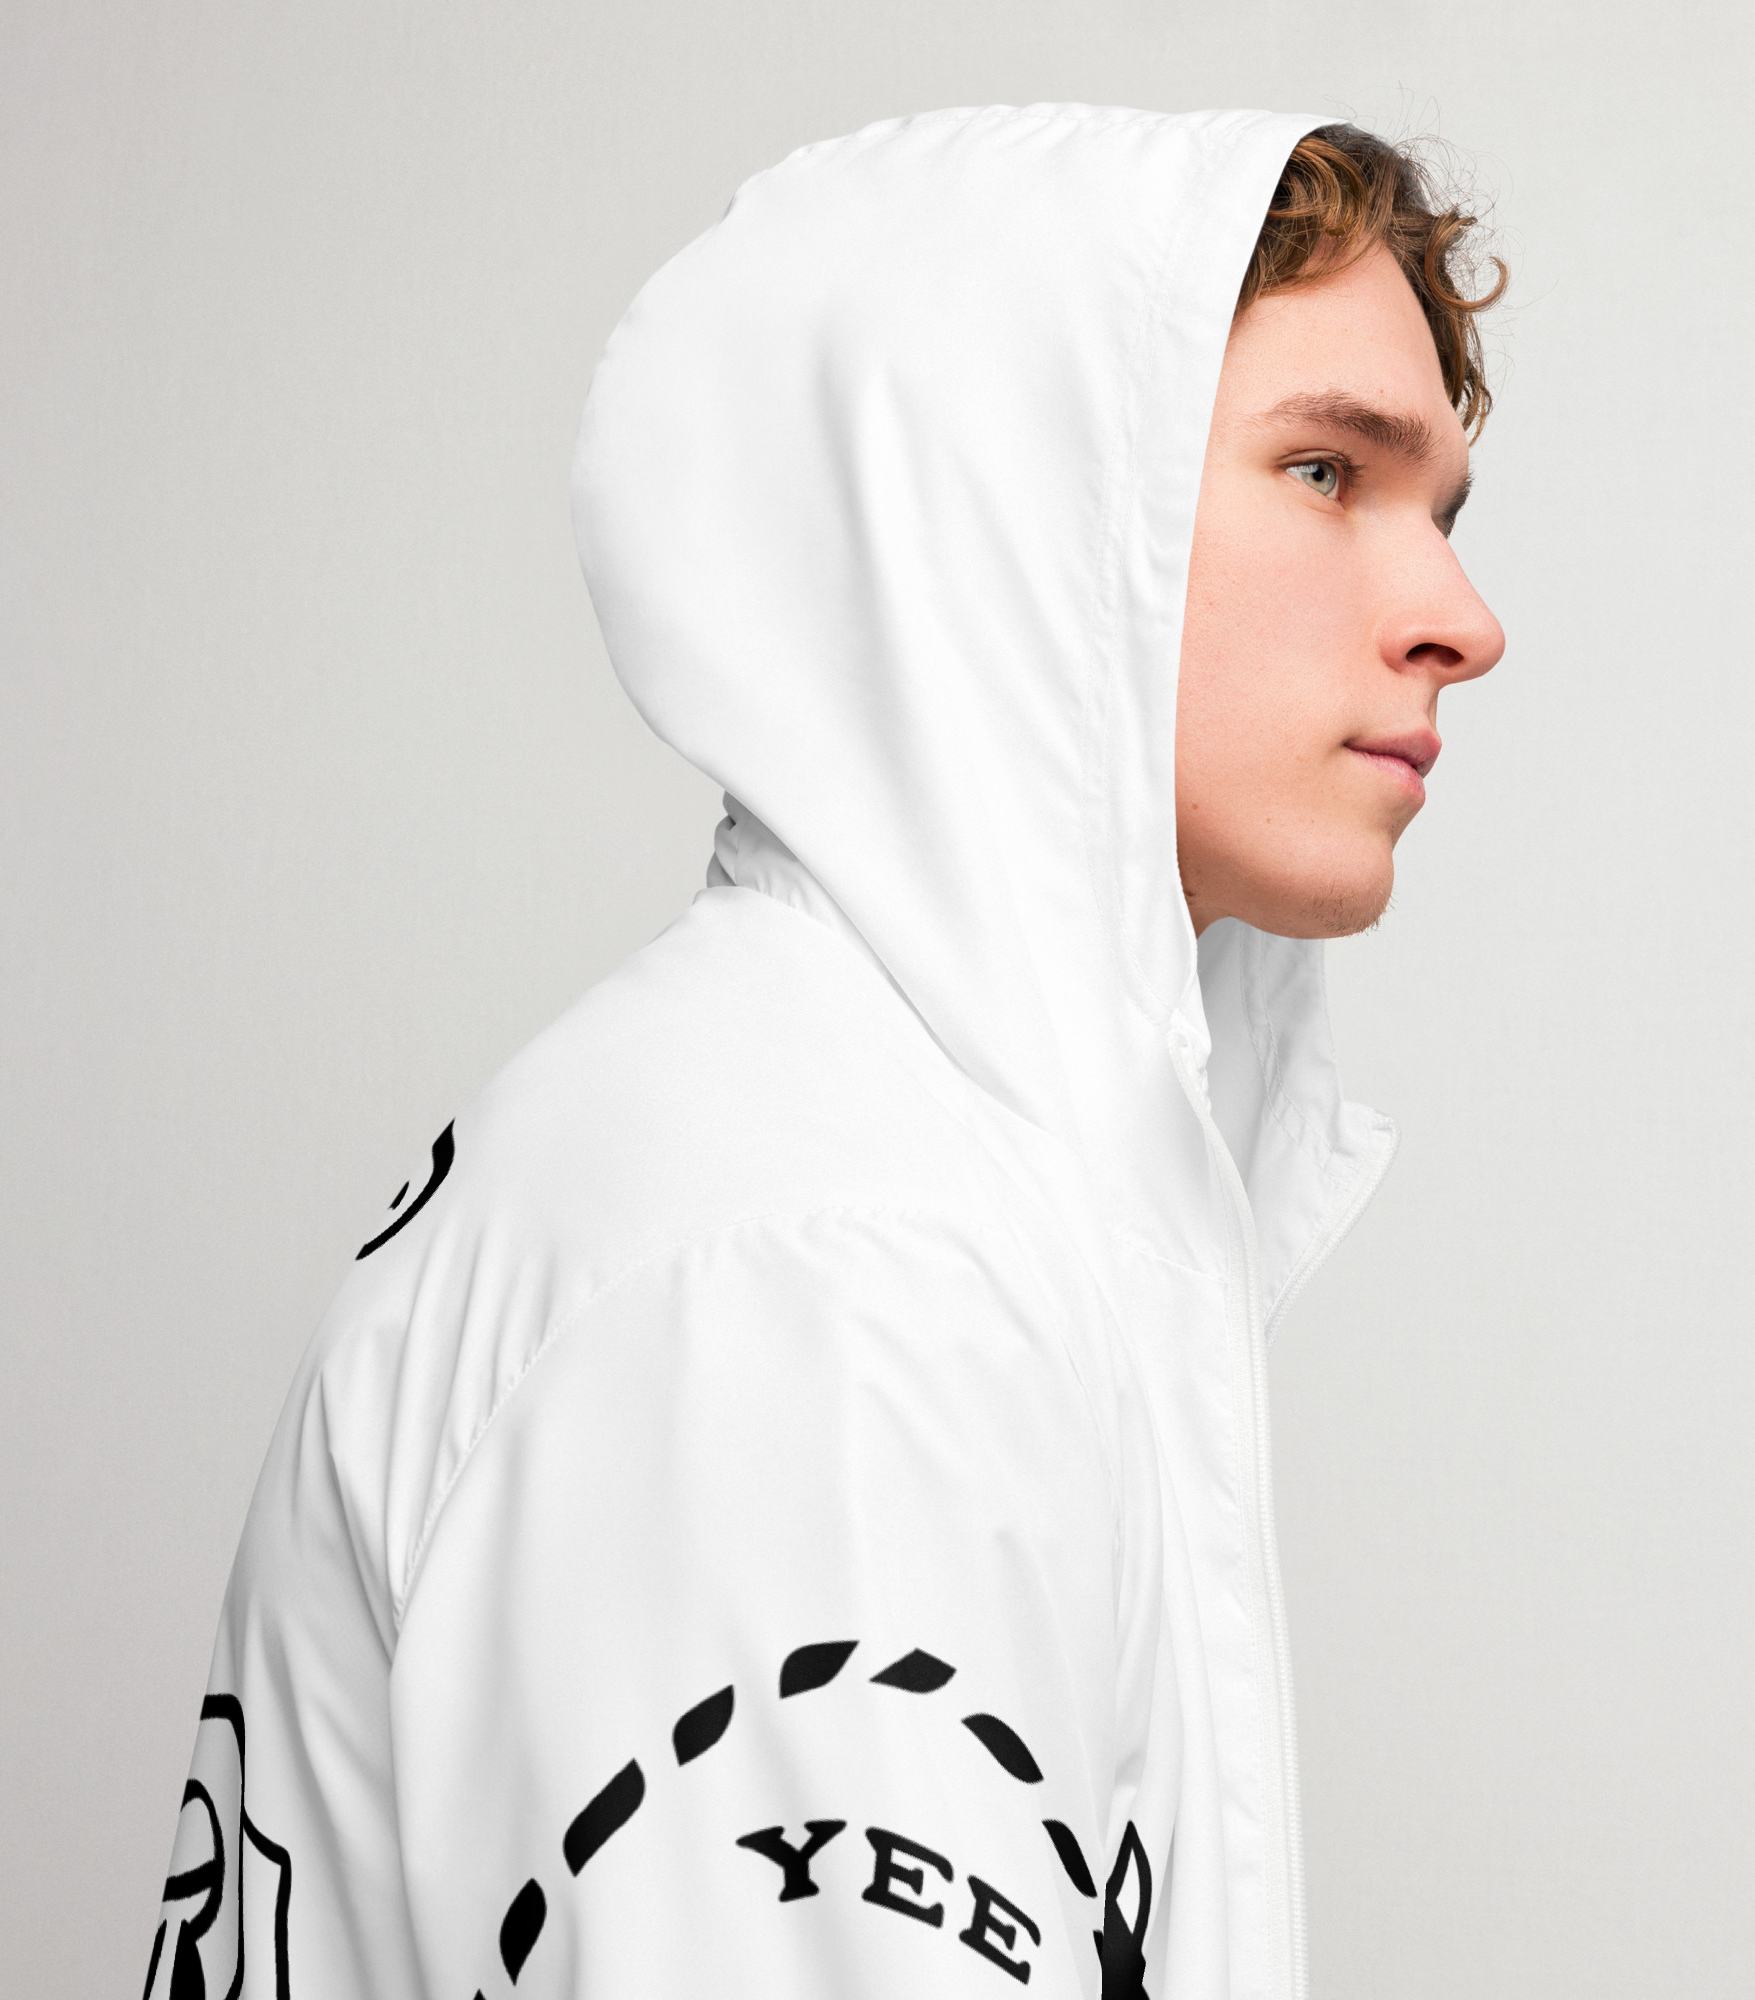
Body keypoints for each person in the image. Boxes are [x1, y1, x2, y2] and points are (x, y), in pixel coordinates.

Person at [142, 105, 1504, 2000]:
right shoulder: (831, 1275)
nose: (1460, 621)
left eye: (1445, 512)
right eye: (1325, 471)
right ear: (1013, 508)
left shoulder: (881, 1173)